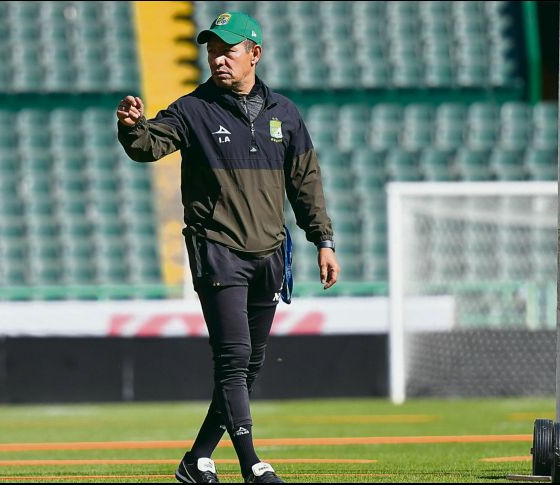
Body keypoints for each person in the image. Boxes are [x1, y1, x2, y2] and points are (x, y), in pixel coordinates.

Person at [116, 11, 340, 484]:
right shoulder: (193, 109)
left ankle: (196, 459)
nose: (218, 58)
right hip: (217, 248)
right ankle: (252, 464)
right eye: (212, 50)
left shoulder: (285, 113)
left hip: (270, 253)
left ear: (253, 54)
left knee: (249, 365)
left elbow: (306, 183)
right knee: (234, 359)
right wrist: (133, 128)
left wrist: (323, 240)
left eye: (228, 49)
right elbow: (149, 145)